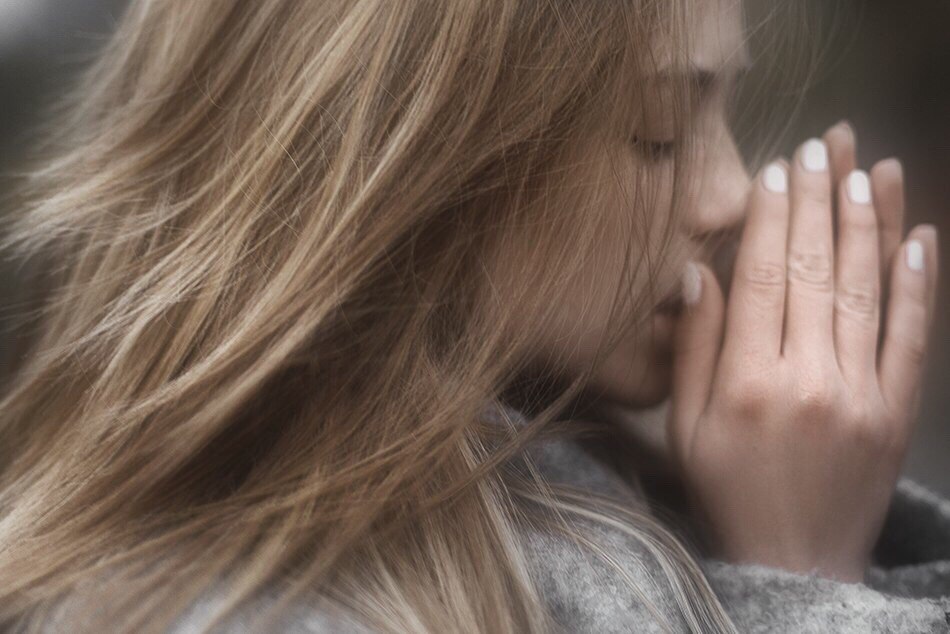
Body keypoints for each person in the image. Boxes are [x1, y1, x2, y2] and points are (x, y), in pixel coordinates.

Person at [0, 0, 945, 632]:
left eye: (726, 113)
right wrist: (801, 573)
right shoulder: (249, 611)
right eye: (660, 132)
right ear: (418, 159)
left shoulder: (625, 488)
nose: (734, 194)